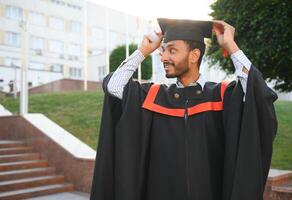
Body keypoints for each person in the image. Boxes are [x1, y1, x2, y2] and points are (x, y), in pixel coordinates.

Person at [90, 18, 278, 200]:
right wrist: (143, 50)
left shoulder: (220, 96)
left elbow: (258, 95)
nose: (163, 57)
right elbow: (113, 86)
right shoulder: (155, 95)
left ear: (194, 55)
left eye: (172, 51)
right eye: (163, 51)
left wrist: (231, 47)